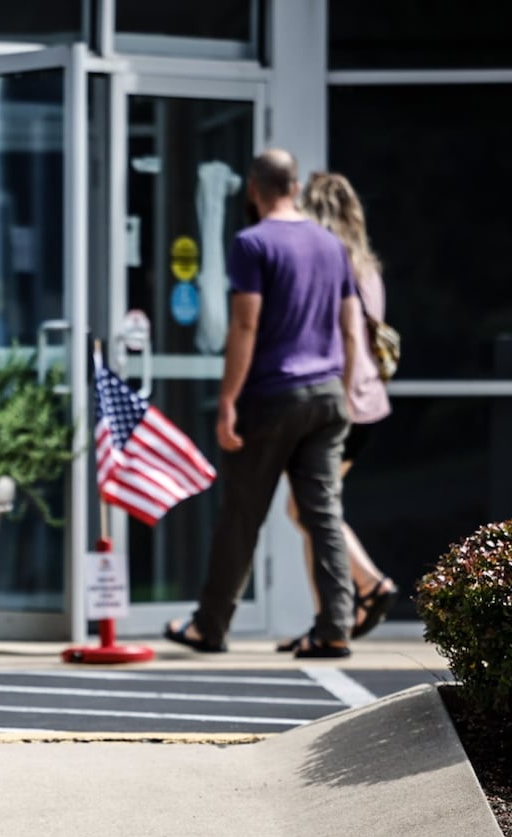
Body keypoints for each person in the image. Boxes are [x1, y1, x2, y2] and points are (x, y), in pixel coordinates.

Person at [164, 148, 363, 658]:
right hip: (325, 396)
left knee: (241, 514)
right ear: (295, 187)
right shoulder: (330, 244)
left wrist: (227, 399)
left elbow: (245, 324)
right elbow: (350, 325)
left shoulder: (252, 243)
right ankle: (336, 626)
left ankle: (209, 626)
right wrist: (347, 388)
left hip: (272, 396)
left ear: (253, 190)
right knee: (323, 514)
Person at [275, 172, 396, 651]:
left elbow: (342, 340)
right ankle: (329, 621)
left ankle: (369, 585)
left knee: (308, 508)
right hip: (367, 403)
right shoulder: (366, 268)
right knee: (312, 510)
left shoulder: (327, 265)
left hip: (339, 404)